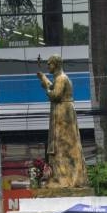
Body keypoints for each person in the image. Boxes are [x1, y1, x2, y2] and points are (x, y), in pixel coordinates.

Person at [37, 54, 89, 188]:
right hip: (62, 112)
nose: (48, 66)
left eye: (50, 63)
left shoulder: (61, 78)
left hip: (63, 114)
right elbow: (54, 89)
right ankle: (62, 177)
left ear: (56, 64)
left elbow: (55, 95)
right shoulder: (60, 79)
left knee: (63, 145)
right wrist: (44, 79)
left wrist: (46, 88)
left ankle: (65, 179)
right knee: (62, 145)